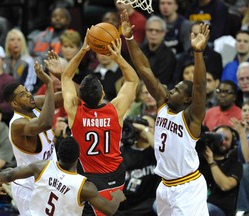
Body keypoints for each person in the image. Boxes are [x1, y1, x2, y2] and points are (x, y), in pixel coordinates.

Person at [121, 9, 210, 215]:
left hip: (187, 187)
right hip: (165, 186)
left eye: (177, 90)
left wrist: (197, 53)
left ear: (187, 100)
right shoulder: (163, 102)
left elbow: (200, 87)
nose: (171, 90)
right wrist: (130, 38)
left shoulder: (191, 118)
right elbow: (144, 69)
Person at [61, 33, 139, 215]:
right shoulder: (115, 110)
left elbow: (65, 78)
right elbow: (132, 80)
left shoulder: (75, 112)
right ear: (103, 93)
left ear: (79, 96)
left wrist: (83, 50)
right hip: (117, 173)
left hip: (91, 178)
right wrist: (118, 57)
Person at [0, 137, 126, 216]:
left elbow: (9, 174)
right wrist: (117, 198)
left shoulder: (40, 166)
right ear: (78, 157)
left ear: (58, 154)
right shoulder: (85, 187)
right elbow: (109, 210)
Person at [1, 59, 64, 215]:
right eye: (23, 94)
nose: (29, 94)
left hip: (50, 181)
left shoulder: (35, 103)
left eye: (27, 90)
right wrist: (48, 85)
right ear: (14, 104)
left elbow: (69, 95)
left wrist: (60, 76)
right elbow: (46, 123)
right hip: (29, 188)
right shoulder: (17, 124)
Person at [120, 114, 160, 215]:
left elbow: (161, 152)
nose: (144, 129)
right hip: (125, 205)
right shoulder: (124, 151)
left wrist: (145, 130)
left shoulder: (156, 153)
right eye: (141, 125)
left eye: (149, 126)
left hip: (148, 206)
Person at [198, 125, 243, 216]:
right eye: (219, 137)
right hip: (198, 205)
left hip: (220, 210)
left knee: (207, 209)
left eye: (227, 139)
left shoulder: (235, 165)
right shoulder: (200, 160)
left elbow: (225, 185)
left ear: (232, 142)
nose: (223, 141)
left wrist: (211, 162)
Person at [230, 102, 249, 214]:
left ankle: (244, 209)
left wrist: (242, 134)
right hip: (237, 170)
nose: (247, 113)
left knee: (246, 168)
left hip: (248, 171)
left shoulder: (241, 132)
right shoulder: (237, 131)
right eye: (244, 110)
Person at [4, 28, 37, 93]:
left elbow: (29, 84)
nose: (16, 42)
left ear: (23, 43)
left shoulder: (28, 61)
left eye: (19, 40)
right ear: (7, 43)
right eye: (12, 40)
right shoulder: (3, 60)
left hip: (23, 95)